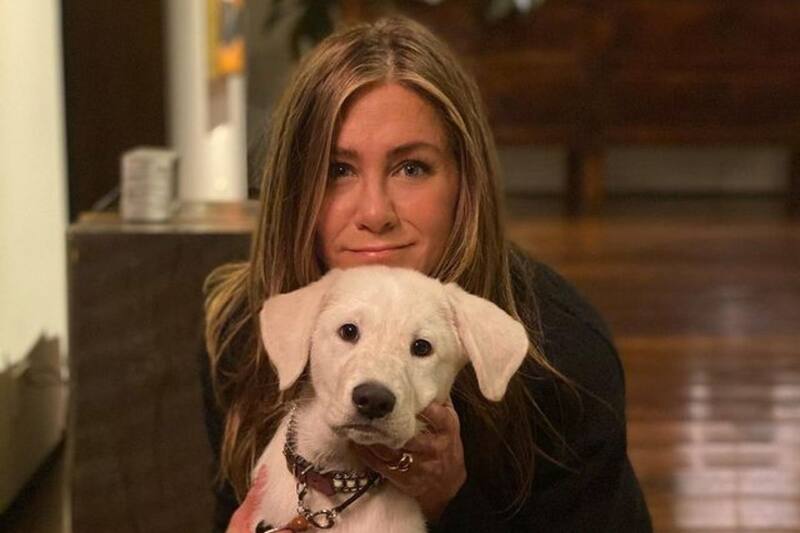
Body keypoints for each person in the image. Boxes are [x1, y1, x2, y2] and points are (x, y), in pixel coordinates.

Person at [200, 16, 652, 532]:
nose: (375, 213)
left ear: (465, 182)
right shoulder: (243, 330)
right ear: (293, 190)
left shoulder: (564, 354)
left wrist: (450, 503)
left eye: (411, 168)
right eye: (338, 170)